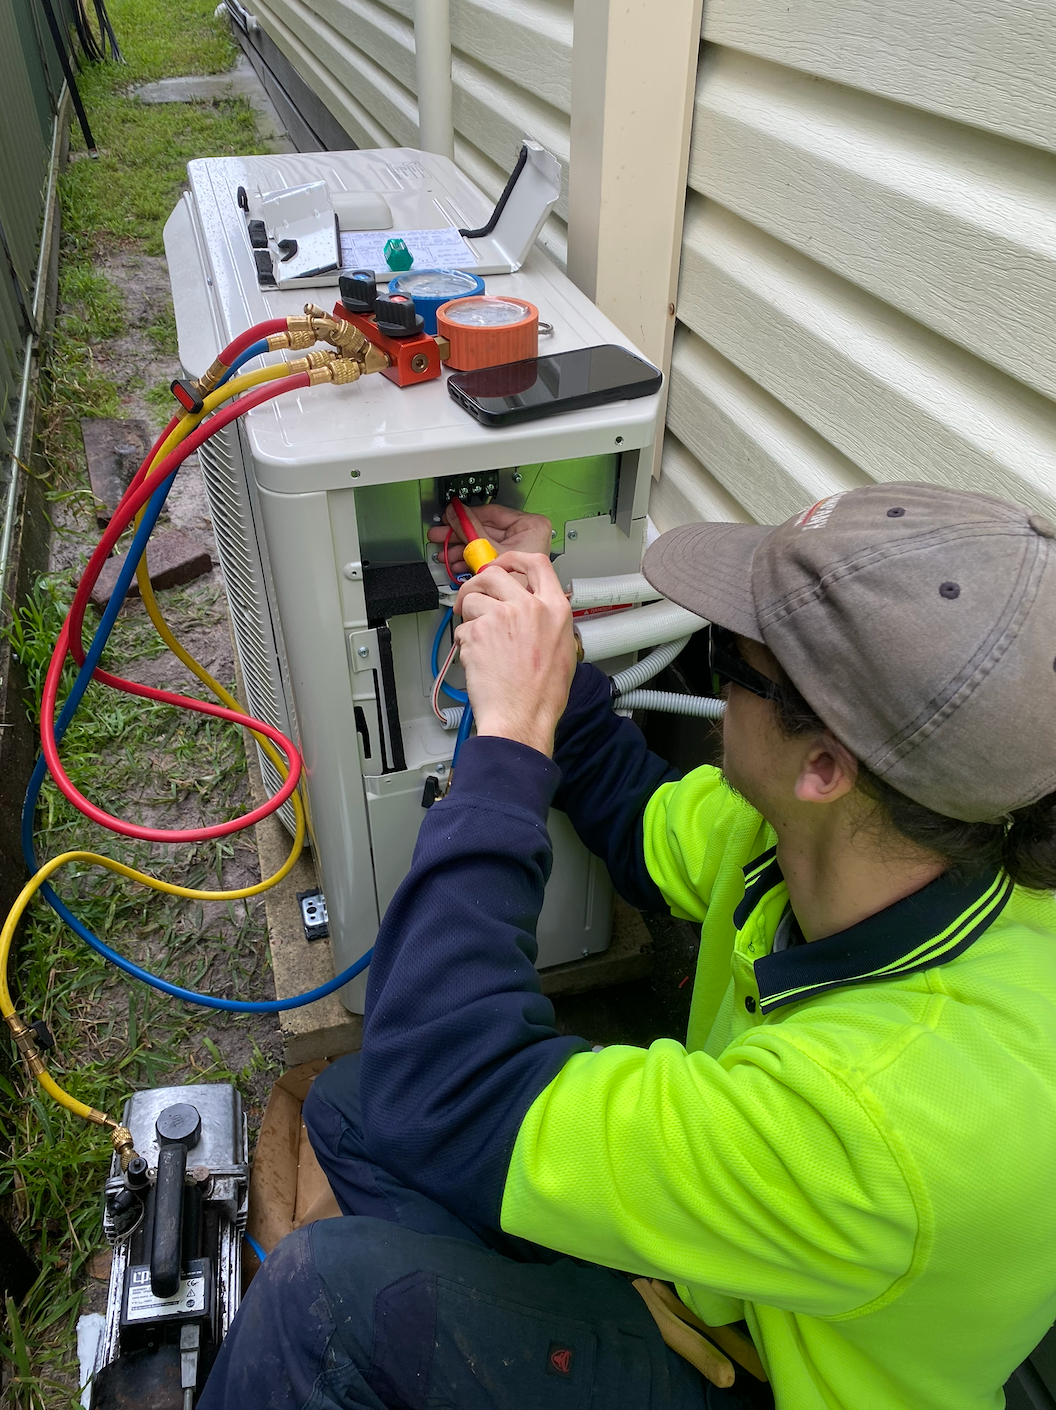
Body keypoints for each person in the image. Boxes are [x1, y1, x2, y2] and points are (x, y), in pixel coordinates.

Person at [200, 481, 1056, 1410]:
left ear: (825, 766)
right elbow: (633, 808)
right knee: (354, 1111)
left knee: (322, 1303)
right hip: (751, 1276)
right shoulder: (846, 840)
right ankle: (559, 1308)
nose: (718, 676)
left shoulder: (897, 1118)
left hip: (778, 1378)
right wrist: (548, 652)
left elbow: (445, 1085)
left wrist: (507, 743)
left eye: (733, 659)